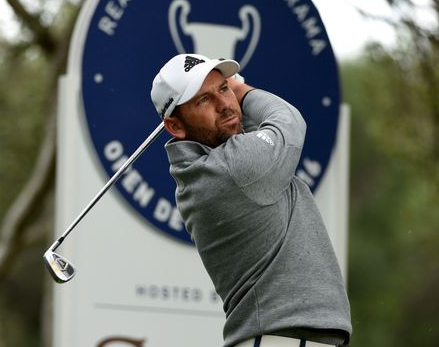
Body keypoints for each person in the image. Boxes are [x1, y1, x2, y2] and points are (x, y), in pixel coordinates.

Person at [150, 53, 352, 347]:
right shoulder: (234, 169)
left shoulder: (204, 171)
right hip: (280, 338)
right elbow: (288, 121)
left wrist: (225, 93)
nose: (224, 104)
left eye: (223, 89)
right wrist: (241, 90)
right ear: (175, 127)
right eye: (203, 100)